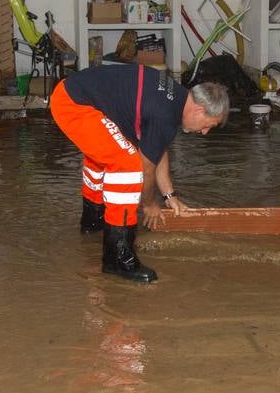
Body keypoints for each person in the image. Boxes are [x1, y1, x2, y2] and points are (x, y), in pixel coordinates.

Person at [51, 65, 229, 283]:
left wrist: (169, 196)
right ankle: (117, 257)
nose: (204, 132)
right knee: (128, 165)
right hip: (74, 104)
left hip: (74, 93)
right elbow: (146, 168)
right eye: (208, 126)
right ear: (200, 110)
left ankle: (92, 223)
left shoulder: (176, 98)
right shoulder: (164, 113)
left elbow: (156, 147)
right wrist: (149, 204)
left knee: (107, 155)